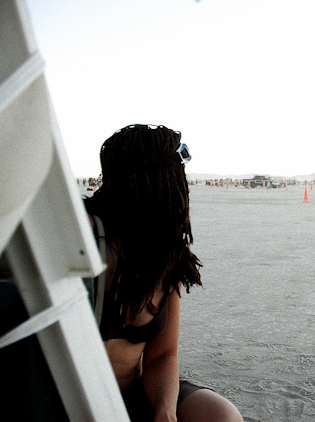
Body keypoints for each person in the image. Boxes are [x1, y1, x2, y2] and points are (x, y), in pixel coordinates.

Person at [83, 125, 242, 422]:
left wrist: (164, 410)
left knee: (220, 416)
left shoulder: (164, 255)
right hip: (71, 398)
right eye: (179, 174)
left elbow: (162, 356)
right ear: (158, 183)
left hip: (135, 392)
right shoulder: (82, 236)